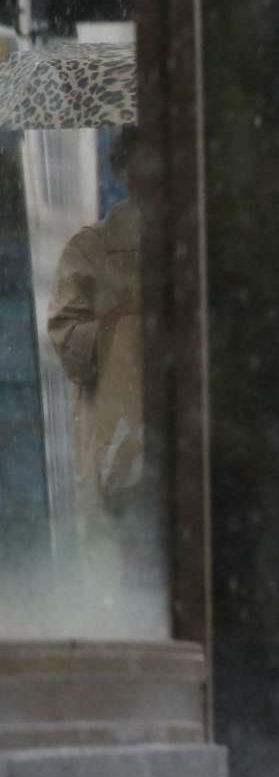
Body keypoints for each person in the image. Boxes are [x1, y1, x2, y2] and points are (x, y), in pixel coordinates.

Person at [46, 127, 148, 561]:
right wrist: (121, 322)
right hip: (113, 440)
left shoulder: (206, 243)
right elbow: (69, 344)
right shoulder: (89, 251)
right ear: (124, 169)